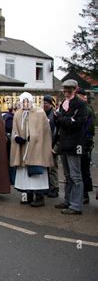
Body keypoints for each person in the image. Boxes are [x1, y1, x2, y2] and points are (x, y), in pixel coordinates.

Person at [10, 92, 54, 207]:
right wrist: (16, 137)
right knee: (24, 173)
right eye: (23, 101)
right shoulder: (18, 114)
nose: (25, 103)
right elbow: (15, 129)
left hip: (36, 148)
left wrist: (34, 137)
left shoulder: (39, 113)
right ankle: (28, 195)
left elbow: (44, 130)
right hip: (23, 148)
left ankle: (39, 196)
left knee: (36, 173)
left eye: (27, 101)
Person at [54, 80, 89, 215]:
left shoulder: (80, 105)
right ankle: (68, 201)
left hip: (75, 144)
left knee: (76, 176)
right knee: (67, 175)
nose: (66, 92)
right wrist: (65, 119)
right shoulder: (63, 103)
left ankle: (76, 206)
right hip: (64, 143)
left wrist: (62, 118)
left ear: (75, 89)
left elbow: (77, 123)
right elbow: (61, 121)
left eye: (69, 89)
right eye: (65, 89)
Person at [76, 88, 95, 204]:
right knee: (79, 169)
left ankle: (85, 194)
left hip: (84, 142)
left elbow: (89, 128)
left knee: (83, 169)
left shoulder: (87, 109)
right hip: (79, 141)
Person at [43, 95, 59, 198]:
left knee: (53, 169)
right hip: (44, 145)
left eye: (46, 103)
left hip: (53, 145)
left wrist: (55, 148)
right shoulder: (42, 114)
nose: (44, 105)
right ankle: (47, 187)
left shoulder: (55, 115)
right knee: (45, 168)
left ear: (50, 104)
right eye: (43, 103)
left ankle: (54, 188)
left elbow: (57, 132)